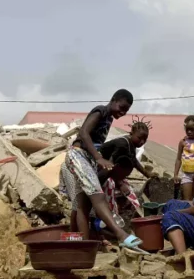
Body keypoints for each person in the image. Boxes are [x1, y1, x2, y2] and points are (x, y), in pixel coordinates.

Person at [59, 89, 143, 248]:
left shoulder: (109, 118)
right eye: (122, 107)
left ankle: (84, 245)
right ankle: (121, 234)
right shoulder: (101, 111)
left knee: (83, 203)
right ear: (113, 100)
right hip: (79, 155)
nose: (123, 112)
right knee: (97, 195)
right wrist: (98, 158)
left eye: (126, 111)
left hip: (87, 159)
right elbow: (83, 133)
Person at [90, 155, 140, 239]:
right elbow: (94, 194)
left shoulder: (113, 175)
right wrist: (104, 205)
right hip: (93, 207)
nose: (123, 177)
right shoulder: (104, 175)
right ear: (117, 167)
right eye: (123, 174)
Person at [99, 115, 155, 179]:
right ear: (131, 133)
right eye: (139, 138)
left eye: (145, 139)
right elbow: (109, 165)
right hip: (99, 162)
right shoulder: (123, 144)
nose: (142, 142)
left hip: (110, 169)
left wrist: (147, 174)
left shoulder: (132, 145)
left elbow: (134, 161)